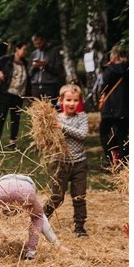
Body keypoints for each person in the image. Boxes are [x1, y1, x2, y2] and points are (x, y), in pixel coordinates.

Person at [0, 174, 69, 260]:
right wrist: (56, 244)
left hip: (3, 189)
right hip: (27, 190)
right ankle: (31, 253)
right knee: (38, 216)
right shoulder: (31, 190)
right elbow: (40, 218)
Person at [44, 84, 89, 237]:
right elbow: (48, 140)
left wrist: (62, 127)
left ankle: (80, 227)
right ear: (61, 101)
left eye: (76, 100)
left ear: (79, 102)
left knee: (79, 196)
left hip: (79, 163)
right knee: (56, 196)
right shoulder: (54, 118)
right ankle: (41, 219)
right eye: (68, 100)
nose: (72, 103)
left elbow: (82, 134)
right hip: (60, 164)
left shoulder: (81, 117)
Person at [0, 41, 30, 150]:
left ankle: (12, 141)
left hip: (18, 96)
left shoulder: (25, 63)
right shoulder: (7, 60)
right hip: (5, 94)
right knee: (1, 117)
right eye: (24, 49)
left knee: (15, 119)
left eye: (26, 50)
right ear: (17, 48)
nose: (25, 52)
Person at [99, 44, 129, 168]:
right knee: (123, 135)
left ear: (113, 56)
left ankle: (110, 159)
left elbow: (104, 87)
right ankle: (124, 161)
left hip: (110, 108)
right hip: (126, 108)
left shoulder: (109, 70)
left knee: (105, 133)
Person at [28, 34, 66, 103]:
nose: (38, 46)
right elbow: (29, 73)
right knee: (37, 111)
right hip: (36, 87)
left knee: (50, 109)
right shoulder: (33, 54)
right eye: (35, 44)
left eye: (39, 43)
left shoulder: (54, 52)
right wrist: (34, 67)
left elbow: (58, 70)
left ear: (43, 41)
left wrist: (46, 65)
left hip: (50, 87)